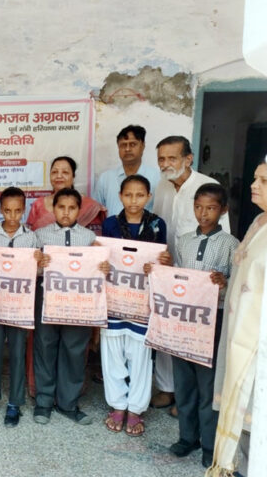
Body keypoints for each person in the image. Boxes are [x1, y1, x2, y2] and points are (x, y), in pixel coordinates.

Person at [150, 136, 230, 413]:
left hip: (197, 278)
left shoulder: (207, 188)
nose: (166, 164)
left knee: (192, 336)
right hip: (167, 272)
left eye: (172, 158)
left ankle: (188, 399)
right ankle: (166, 388)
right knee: (165, 328)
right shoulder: (161, 187)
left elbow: (223, 236)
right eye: (161, 159)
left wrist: (212, 281)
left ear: (188, 158)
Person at [170, 184, 237, 469]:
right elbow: (177, 279)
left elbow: (239, 284)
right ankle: (188, 437)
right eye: (198, 207)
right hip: (183, 319)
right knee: (183, 381)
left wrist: (226, 283)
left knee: (207, 384)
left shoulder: (233, 244)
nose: (203, 213)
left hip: (214, 319)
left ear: (223, 210)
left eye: (210, 208)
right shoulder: (184, 241)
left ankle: (209, 443)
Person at [99, 175, 169, 437]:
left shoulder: (157, 224)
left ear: (148, 196)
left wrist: (163, 261)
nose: (133, 200)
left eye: (140, 195)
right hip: (115, 299)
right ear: (120, 196)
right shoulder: (110, 224)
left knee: (140, 356)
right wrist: (101, 263)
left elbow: (162, 259)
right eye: (128, 195)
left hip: (142, 301)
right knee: (113, 352)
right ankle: (118, 405)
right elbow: (103, 256)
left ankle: (136, 408)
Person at [33, 188, 109, 426]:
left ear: (80, 210)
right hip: (48, 300)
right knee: (45, 349)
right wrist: (38, 264)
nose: (66, 213)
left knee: (75, 351)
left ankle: (68, 403)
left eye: (72, 208)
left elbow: (98, 269)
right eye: (61, 207)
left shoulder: (89, 239)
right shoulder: (40, 235)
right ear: (53, 209)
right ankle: (44, 402)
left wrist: (103, 267)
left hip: (79, 304)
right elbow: (30, 270)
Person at [210, 162, 267, 476]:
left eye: (263, 180)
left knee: (256, 415)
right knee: (239, 412)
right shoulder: (259, 221)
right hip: (238, 333)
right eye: (256, 178)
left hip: (258, 341)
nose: (253, 185)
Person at [0, 187, 40, 428]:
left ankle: (15, 402)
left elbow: (40, 271)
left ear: (24, 210)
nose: (12, 216)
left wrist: (40, 263)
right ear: (0, 209)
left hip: (19, 307)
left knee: (18, 355)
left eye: (18, 210)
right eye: (7, 210)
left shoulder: (33, 238)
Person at [27, 156, 106, 234]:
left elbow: (95, 239)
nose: (59, 176)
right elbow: (29, 236)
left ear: (73, 176)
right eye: (54, 172)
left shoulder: (89, 206)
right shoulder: (38, 204)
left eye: (65, 172)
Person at [94, 125, 160, 217]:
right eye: (123, 145)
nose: (127, 149)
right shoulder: (105, 178)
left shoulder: (157, 177)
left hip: (146, 231)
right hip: (112, 231)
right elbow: (97, 213)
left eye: (132, 144)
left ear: (143, 146)